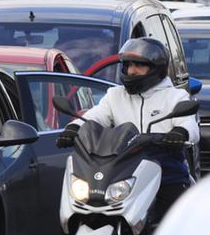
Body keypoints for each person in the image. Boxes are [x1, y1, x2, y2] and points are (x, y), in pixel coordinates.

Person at [55, 39, 198, 220]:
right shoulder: (115, 95)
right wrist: (73, 129)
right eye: (128, 65)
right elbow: (96, 116)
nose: (131, 71)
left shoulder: (175, 96)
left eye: (139, 66)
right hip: (122, 169)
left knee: (176, 220)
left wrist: (179, 133)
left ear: (156, 68)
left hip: (165, 170)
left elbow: (189, 124)